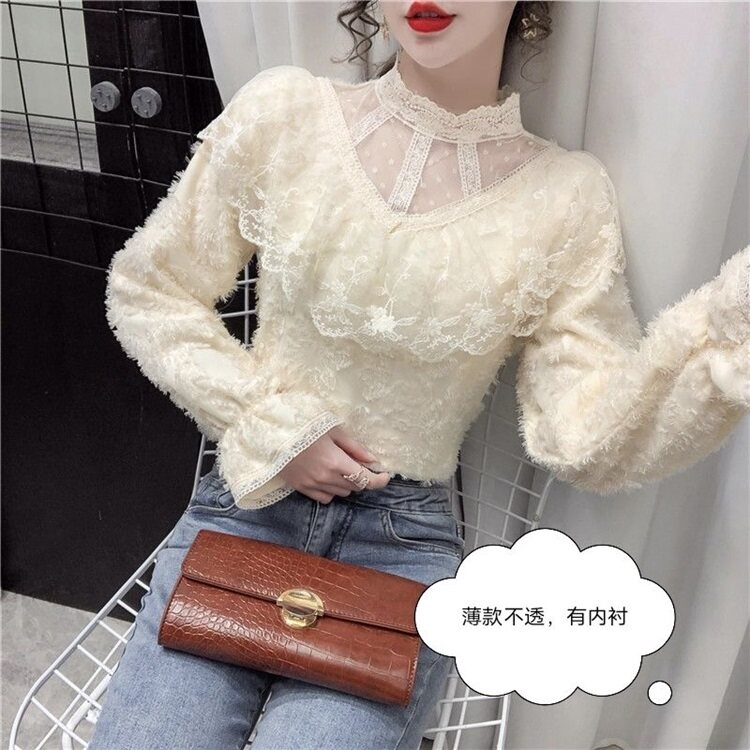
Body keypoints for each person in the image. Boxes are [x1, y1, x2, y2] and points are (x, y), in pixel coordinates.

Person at [89, 1, 749, 748]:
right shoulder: (285, 114)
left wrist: (722, 339)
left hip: (398, 549)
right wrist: (268, 423)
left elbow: (584, 438)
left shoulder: (565, 199)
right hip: (248, 505)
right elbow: (149, 287)